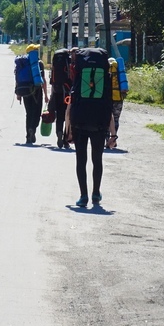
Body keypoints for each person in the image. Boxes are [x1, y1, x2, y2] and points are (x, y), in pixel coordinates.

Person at [67, 46, 115, 208]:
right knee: (97, 159)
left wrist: (68, 130)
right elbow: (109, 106)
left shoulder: (80, 77)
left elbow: (70, 105)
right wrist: (113, 135)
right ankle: (96, 193)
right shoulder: (105, 78)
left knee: (81, 160)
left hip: (80, 121)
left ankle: (83, 196)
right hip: (100, 122)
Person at [15, 45, 47, 145]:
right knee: (36, 113)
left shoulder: (22, 63)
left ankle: (28, 136)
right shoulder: (39, 63)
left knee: (28, 113)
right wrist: (46, 94)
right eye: (36, 50)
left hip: (24, 91)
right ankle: (32, 129)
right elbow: (43, 80)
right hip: (36, 91)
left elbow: (17, 78)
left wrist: (18, 93)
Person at [49, 47, 72, 149]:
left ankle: (58, 132)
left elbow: (51, 79)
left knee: (59, 116)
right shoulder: (68, 61)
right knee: (67, 116)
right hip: (66, 93)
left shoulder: (55, 61)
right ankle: (65, 139)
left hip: (56, 91)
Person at [107, 55, 128, 149]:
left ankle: (107, 138)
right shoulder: (119, 71)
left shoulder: (107, 69)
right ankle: (114, 140)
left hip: (107, 98)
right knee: (116, 119)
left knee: (107, 119)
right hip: (118, 98)